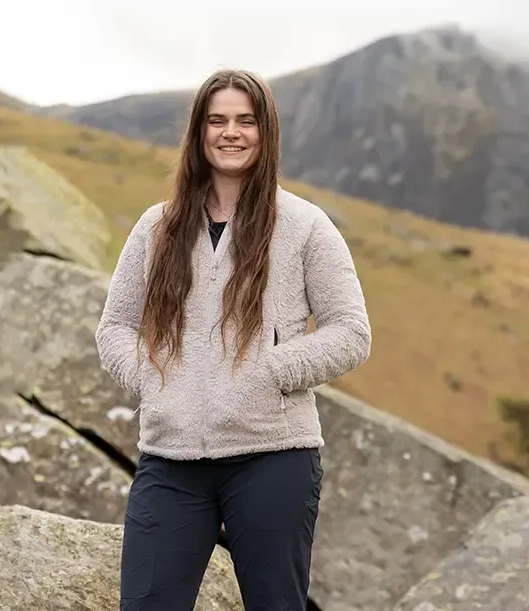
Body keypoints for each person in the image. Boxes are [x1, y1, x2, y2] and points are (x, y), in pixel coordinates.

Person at [94, 68, 372, 610]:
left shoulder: (305, 225)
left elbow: (351, 331)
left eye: (246, 121)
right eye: (217, 120)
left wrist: (270, 371)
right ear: (198, 132)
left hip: (272, 457)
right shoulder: (157, 227)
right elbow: (115, 326)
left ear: (266, 131)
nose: (231, 132)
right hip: (170, 460)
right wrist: (155, 381)